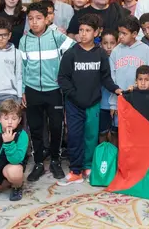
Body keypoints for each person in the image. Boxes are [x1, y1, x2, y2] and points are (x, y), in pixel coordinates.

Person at [58, 14, 123, 185]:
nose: (83, 33)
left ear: (96, 33)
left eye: (87, 30)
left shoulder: (101, 54)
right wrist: (73, 95)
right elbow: (63, 78)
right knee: (75, 137)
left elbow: (106, 78)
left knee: (91, 137)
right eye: (81, 30)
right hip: (74, 104)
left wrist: (116, 89)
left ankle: (88, 166)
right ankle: (75, 170)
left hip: (93, 104)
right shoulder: (71, 54)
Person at [19, 2, 75, 182]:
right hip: (32, 89)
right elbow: (22, 67)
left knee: (56, 127)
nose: (34, 22)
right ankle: (37, 163)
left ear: (47, 19)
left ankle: (56, 161)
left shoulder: (56, 36)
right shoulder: (24, 40)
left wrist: (63, 78)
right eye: (30, 19)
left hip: (54, 90)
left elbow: (74, 50)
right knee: (35, 127)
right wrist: (23, 90)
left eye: (38, 18)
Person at [108, 16, 149, 141]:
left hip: (139, 100)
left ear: (134, 34)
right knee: (118, 132)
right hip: (120, 100)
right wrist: (113, 104)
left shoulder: (145, 49)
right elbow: (112, 79)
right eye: (119, 33)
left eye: (124, 33)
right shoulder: (116, 51)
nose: (120, 36)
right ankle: (118, 160)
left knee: (138, 132)